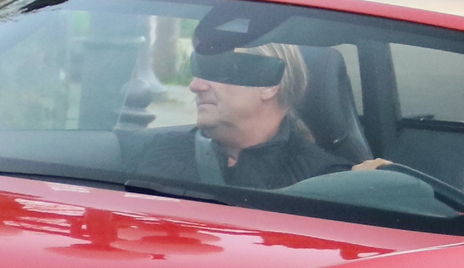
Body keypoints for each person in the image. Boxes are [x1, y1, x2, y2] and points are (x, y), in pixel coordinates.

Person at [122, 43, 351, 191]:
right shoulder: (164, 152)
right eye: (198, 69)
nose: (195, 85)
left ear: (270, 83)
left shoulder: (323, 181)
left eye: (217, 70)